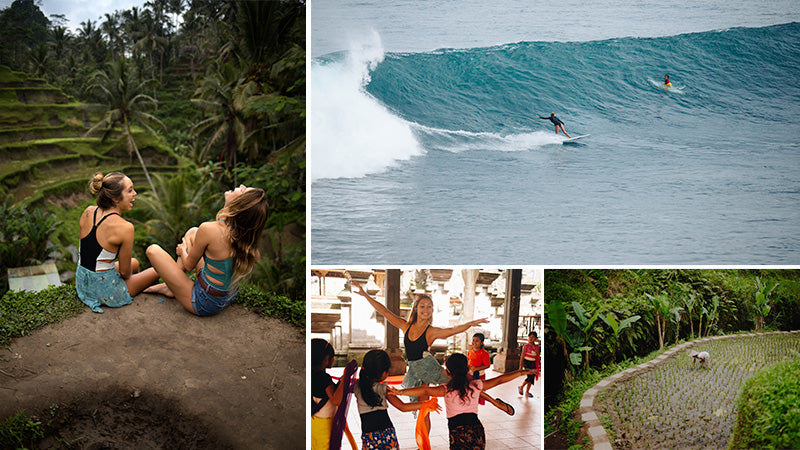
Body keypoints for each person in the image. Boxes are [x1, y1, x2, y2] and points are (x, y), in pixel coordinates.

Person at [352, 281, 490, 436]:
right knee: (424, 407)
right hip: (415, 371)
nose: (426, 309)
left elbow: (452, 330)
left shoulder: (431, 331)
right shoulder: (406, 326)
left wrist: (471, 324)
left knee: (462, 384)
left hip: (428, 368)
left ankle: (491, 400)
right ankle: (424, 443)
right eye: (422, 306)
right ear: (416, 308)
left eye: (429, 306)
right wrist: (365, 295)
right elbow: (385, 312)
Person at [144, 185, 267, 316]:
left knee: (153, 250)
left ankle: (171, 287)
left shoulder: (210, 229)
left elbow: (189, 265)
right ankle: (169, 287)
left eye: (243, 189)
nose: (241, 186)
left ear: (240, 203)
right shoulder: (243, 235)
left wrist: (183, 251)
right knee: (193, 232)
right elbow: (257, 257)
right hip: (226, 296)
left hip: (204, 302)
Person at [392, 353, 537, 450]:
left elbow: (424, 391)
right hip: (476, 429)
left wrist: (401, 392)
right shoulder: (476, 385)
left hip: (458, 432)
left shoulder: (446, 389)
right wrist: (521, 372)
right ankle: (497, 403)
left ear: (447, 372)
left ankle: (497, 403)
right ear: (467, 368)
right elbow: (499, 380)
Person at [76, 172, 160, 313]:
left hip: (82, 282)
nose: (135, 193)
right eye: (130, 190)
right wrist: (124, 278)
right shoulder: (125, 228)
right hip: (105, 292)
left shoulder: (88, 211)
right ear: (115, 199)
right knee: (156, 270)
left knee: (135, 262)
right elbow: (125, 273)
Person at [355, 349, 442, 449]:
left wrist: (346, 376)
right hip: (387, 435)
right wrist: (426, 404)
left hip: (369, 437)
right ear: (383, 372)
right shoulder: (384, 389)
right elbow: (403, 407)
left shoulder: (356, 386)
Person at [311, 339, 346, 450]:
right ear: (326, 359)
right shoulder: (323, 378)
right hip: (324, 426)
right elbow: (336, 399)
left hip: (314, 422)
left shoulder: (312, 375)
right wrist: (345, 377)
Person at [467, 333, 491, 405]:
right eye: (473, 340)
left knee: (478, 392)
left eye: (477, 341)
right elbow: (469, 362)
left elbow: (487, 365)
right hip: (469, 375)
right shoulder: (470, 352)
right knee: (469, 391)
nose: (474, 342)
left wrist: (477, 368)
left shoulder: (484, 353)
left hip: (479, 376)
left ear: (482, 342)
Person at [518, 331, 540, 398]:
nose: (531, 338)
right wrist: (520, 366)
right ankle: (521, 387)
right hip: (527, 363)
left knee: (532, 377)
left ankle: (527, 391)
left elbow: (538, 356)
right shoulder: (525, 346)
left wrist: (538, 366)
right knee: (530, 376)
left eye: (533, 337)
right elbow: (522, 356)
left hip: (533, 363)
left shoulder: (537, 347)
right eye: (529, 337)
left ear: (536, 338)